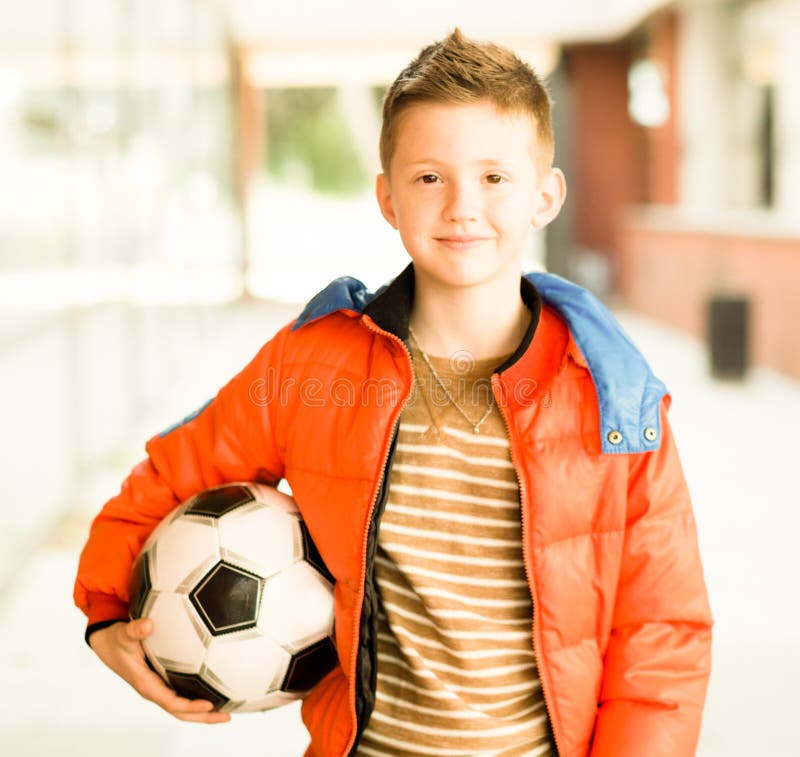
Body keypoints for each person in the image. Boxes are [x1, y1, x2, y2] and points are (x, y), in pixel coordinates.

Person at [74, 28, 713, 757]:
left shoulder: (615, 399)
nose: (462, 206)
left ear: (545, 195)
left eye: (494, 178)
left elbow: (662, 635)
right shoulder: (310, 365)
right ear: (388, 197)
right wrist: (104, 614)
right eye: (430, 177)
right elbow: (163, 478)